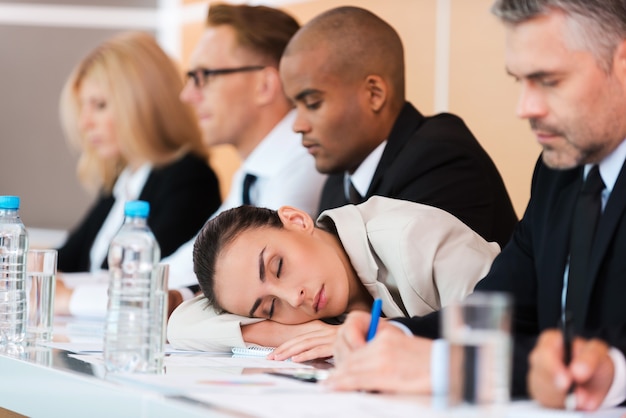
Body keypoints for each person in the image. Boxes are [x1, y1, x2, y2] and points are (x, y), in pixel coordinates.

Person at [328, 0, 626, 411]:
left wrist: (442, 367)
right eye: (520, 81)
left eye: (549, 81)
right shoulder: (561, 172)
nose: (526, 108)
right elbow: (506, 310)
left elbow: (597, 363)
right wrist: (398, 338)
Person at [279, 6, 518, 249]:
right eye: (295, 107)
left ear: (374, 94)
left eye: (312, 103)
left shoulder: (440, 160)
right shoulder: (337, 182)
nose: (298, 125)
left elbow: (406, 285)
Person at [182, 196, 498, 359]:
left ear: (296, 220)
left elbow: (501, 340)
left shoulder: (413, 238)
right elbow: (183, 322)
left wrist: (375, 335)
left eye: (278, 267)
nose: (295, 298)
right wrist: (297, 336)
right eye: (270, 308)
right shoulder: (314, 302)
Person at [162, 4, 326, 310]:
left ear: (264, 85)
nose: (187, 95)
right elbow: (181, 270)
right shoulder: (252, 174)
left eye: (204, 75)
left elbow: (234, 291)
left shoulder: (307, 163)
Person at [54, 31, 221, 316]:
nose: (84, 122)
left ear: (143, 104)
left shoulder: (190, 180)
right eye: (84, 106)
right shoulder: (123, 182)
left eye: (100, 105)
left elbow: (143, 281)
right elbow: (64, 263)